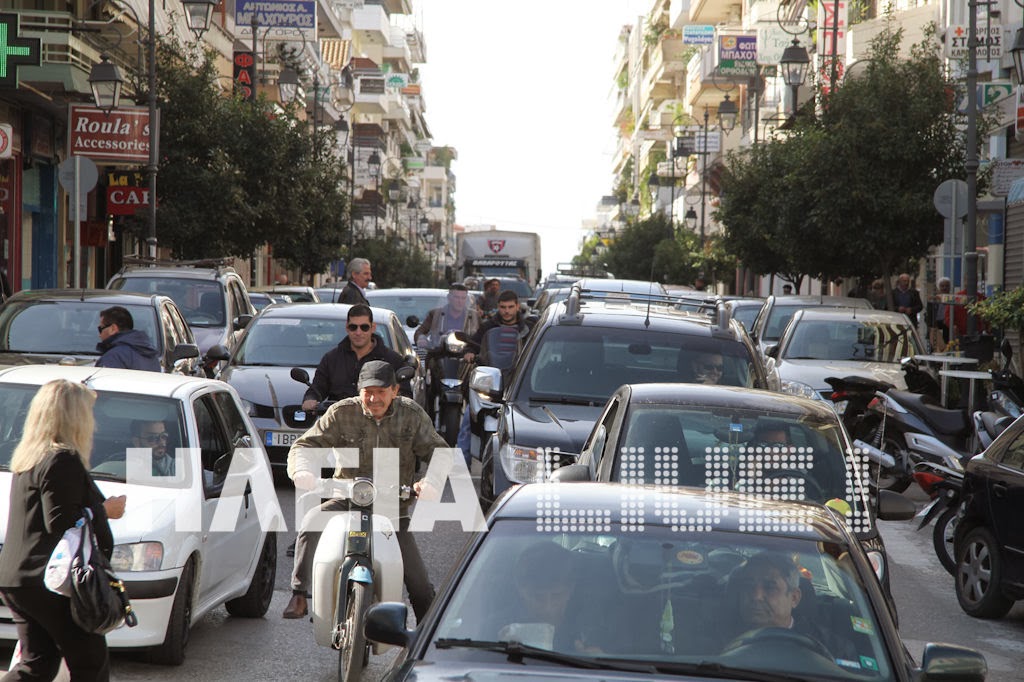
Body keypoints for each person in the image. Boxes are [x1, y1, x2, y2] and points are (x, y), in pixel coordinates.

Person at [283, 361, 447, 620]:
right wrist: (302, 471)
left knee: (419, 584)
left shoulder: (412, 415)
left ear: (395, 390)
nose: (374, 398)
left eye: (381, 391)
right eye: (367, 391)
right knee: (312, 520)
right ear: (359, 391)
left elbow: (440, 452)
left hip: (392, 510)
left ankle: (426, 639)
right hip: (346, 499)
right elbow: (305, 446)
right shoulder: (342, 412)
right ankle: (299, 594)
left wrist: (431, 482)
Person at [0, 379, 126, 682]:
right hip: (47, 581)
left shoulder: (29, 457)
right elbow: (59, 521)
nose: (94, 423)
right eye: (89, 412)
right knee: (90, 663)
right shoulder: (61, 458)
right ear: (74, 416)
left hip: (19, 576)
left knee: (37, 664)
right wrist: (105, 511)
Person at [457, 290, 536, 459]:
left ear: (517, 307)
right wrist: (469, 352)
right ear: (498, 307)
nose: (506, 311)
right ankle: (461, 466)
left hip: (517, 382)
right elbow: (473, 343)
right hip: (489, 382)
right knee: (467, 421)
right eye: (502, 307)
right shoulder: (488, 327)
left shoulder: (527, 328)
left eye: (510, 307)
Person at [301, 304, 412, 411]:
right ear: (347, 328)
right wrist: (310, 399)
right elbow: (318, 388)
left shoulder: (392, 359)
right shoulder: (331, 359)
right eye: (353, 327)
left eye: (364, 327)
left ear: (372, 328)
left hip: (380, 425)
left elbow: (405, 396)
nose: (358, 332)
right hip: (340, 423)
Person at [497, 542, 603, 653]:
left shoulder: (593, 627)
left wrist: (597, 660)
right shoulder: (498, 627)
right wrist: (499, 652)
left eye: (557, 595)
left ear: (571, 590)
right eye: (537, 597)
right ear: (520, 589)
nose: (548, 607)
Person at [415, 283, 481, 350]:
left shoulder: (474, 316)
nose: (460, 301)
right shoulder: (435, 314)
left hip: (466, 354)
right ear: (449, 298)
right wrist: (421, 338)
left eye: (463, 298)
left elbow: (483, 334)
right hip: (439, 353)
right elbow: (420, 331)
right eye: (456, 297)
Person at [95, 306, 161, 372]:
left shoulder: (113, 358)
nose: (99, 335)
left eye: (100, 329)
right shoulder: (151, 355)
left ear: (113, 328)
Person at [928, 277, 952, 352]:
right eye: (942, 286)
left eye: (946, 286)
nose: (944, 288)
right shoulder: (933, 299)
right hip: (936, 326)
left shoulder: (952, 299)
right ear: (939, 287)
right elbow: (929, 314)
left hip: (948, 326)